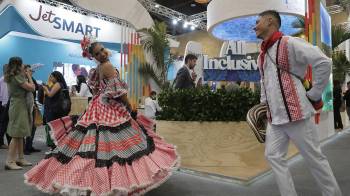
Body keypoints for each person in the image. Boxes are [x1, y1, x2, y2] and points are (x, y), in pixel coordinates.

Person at [25, 41, 179, 195]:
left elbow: (98, 89)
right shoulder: (107, 66)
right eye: (97, 53)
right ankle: (117, 180)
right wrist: (129, 105)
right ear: (93, 57)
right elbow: (120, 91)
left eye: (102, 50)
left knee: (95, 145)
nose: (102, 54)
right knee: (117, 145)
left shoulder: (98, 68)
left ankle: (87, 180)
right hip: (108, 107)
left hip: (97, 106)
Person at [254, 10, 342, 196]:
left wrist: (315, 92)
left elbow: (323, 62)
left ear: (270, 21)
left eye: (258, 21)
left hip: (298, 115)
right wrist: (263, 105)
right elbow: (264, 82)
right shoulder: (261, 55)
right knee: (273, 156)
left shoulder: (290, 43)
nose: (254, 26)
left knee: (314, 159)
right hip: (275, 120)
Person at [4, 57, 35, 170]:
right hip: (18, 105)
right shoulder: (17, 77)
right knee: (17, 134)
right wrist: (29, 76)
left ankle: (20, 158)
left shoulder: (13, 76)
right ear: (18, 65)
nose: (23, 66)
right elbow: (32, 88)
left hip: (17, 104)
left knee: (20, 133)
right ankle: (10, 161)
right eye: (22, 64)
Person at [23, 64, 41, 155]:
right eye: (29, 70)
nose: (31, 72)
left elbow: (36, 87)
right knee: (25, 127)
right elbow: (32, 88)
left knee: (33, 127)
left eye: (31, 71)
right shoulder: (23, 80)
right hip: (25, 106)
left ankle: (29, 146)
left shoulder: (31, 79)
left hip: (32, 105)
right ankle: (24, 148)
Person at [0, 64, 11, 149]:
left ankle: (8, 142)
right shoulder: (4, 80)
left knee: (5, 124)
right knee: (4, 125)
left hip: (4, 104)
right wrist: (5, 104)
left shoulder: (3, 79)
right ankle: (1, 143)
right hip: (4, 104)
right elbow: (4, 94)